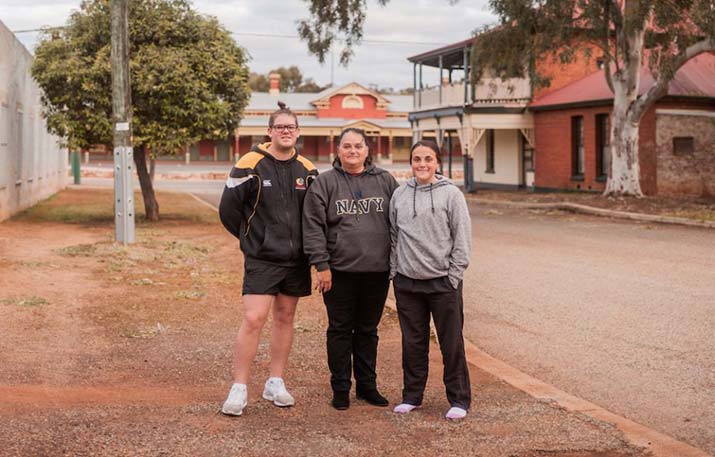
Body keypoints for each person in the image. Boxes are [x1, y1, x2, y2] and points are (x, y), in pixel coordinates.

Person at [218, 102, 318, 416]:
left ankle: (275, 381)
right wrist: (253, 240)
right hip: (262, 258)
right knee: (253, 319)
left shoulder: (308, 169)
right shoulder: (250, 163)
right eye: (280, 127)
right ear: (270, 131)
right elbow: (228, 210)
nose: (286, 132)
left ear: (298, 132)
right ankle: (240, 387)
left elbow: (315, 216)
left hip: (296, 260)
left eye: (291, 127)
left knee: (285, 318)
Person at [302, 128, 399, 410]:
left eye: (358, 146)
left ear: (368, 150)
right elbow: (313, 227)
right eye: (347, 146)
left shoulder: (385, 181)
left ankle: (367, 387)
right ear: (338, 150)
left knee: (368, 330)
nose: (353, 151)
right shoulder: (325, 183)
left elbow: (399, 221)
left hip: (377, 271)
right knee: (341, 330)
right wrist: (321, 265)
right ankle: (341, 388)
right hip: (338, 272)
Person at [389, 140, 472, 420]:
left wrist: (454, 276)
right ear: (410, 162)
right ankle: (412, 396)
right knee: (413, 343)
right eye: (416, 159)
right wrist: (394, 272)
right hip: (407, 283)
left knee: (451, 343)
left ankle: (459, 399)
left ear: (437, 162)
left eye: (427, 159)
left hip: (442, 283)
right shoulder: (400, 194)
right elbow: (393, 237)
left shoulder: (451, 195)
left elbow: (462, 239)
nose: (422, 164)